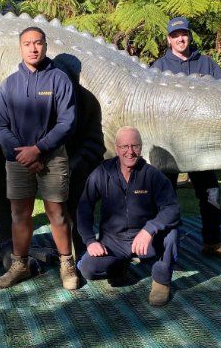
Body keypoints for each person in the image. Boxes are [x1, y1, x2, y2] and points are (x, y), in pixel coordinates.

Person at [151, 16, 221, 260]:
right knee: (165, 195)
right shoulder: (158, 67)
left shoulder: (207, 64)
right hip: (169, 144)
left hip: (200, 144)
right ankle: (160, 246)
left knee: (210, 193)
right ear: (169, 39)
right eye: (175, 36)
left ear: (190, 36)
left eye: (183, 34)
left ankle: (212, 242)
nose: (180, 39)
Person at [0, 26, 78, 290]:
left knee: (57, 213)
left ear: (45, 46)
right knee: (19, 213)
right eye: (27, 43)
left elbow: (67, 121)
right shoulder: (9, 84)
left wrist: (39, 149)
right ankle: (20, 265)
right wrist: (24, 154)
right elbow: (0, 125)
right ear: (20, 47)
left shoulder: (59, 79)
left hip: (52, 157)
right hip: (18, 160)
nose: (33, 48)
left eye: (38, 43)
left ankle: (67, 264)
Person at [77, 127, 180, 306]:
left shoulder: (153, 175)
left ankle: (161, 281)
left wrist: (149, 230)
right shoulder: (101, 173)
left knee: (172, 232)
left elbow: (172, 209)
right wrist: (90, 241)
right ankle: (119, 266)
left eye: (135, 146)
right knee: (88, 269)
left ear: (141, 148)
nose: (130, 151)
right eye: (124, 146)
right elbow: (84, 209)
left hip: (146, 241)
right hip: (114, 241)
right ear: (116, 149)